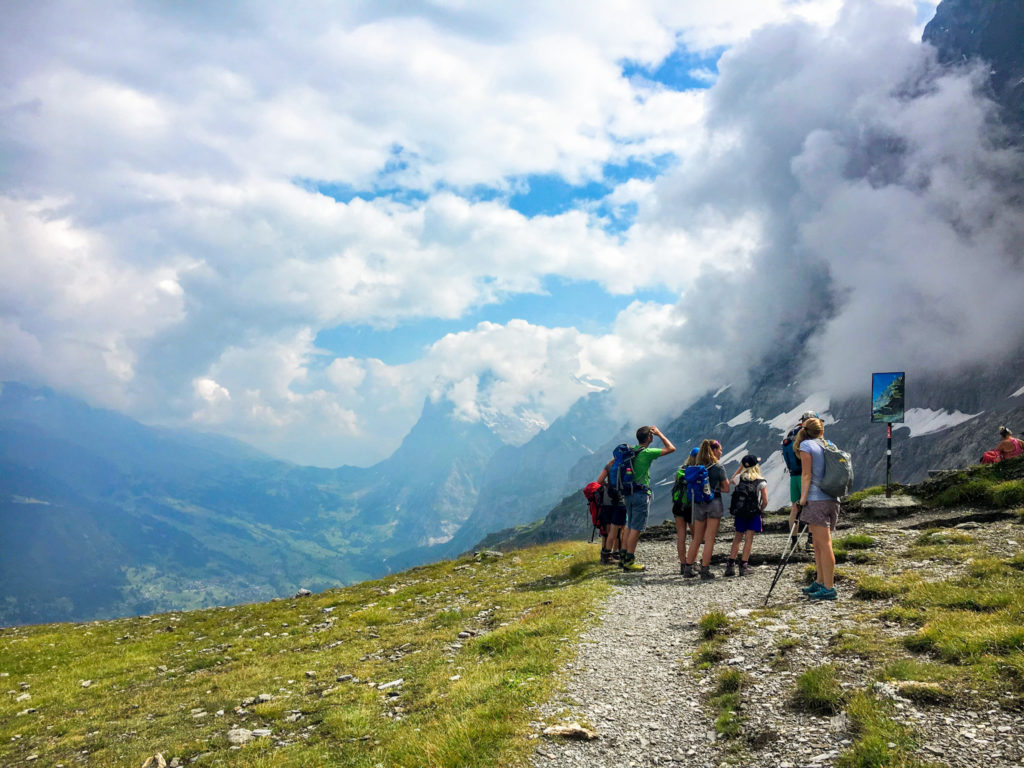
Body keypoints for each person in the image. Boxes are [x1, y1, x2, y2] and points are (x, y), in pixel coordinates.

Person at [615, 425, 675, 572]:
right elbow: (671, 448)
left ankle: (623, 558)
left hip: (628, 493)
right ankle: (630, 560)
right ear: (650, 438)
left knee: (629, 526)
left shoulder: (632, 451)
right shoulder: (647, 452)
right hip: (641, 494)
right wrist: (660, 433)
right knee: (636, 528)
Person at [795, 417, 840, 600]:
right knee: (819, 544)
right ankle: (820, 581)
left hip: (816, 499)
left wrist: (803, 498)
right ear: (822, 430)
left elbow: (806, 474)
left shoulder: (806, 446)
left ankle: (829, 587)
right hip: (832, 498)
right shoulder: (829, 444)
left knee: (823, 544)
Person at [682, 439, 729, 579]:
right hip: (713, 502)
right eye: (719, 449)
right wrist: (714, 488)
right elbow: (726, 488)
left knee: (697, 537)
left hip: (697, 503)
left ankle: (688, 568)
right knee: (709, 538)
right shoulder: (717, 468)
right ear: (713, 451)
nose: (721, 452)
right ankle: (705, 569)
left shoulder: (696, 467)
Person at [724, 454, 768, 576]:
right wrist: (760, 510)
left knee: (737, 538)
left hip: (740, 513)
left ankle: (730, 565)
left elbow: (732, 479)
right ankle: (743, 566)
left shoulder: (739, 478)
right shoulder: (761, 481)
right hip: (753, 513)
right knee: (749, 539)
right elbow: (765, 500)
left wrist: (740, 467)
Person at [784, 410, 819, 551]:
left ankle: (794, 540)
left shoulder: (791, 434)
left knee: (795, 507)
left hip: (793, 476)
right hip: (807, 475)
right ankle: (810, 540)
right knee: (811, 507)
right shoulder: (809, 434)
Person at [671, 447, 700, 575]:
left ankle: (683, 564)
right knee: (695, 536)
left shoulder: (680, 470)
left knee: (681, 536)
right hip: (692, 507)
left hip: (678, 506)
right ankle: (691, 562)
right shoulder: (699, 471)